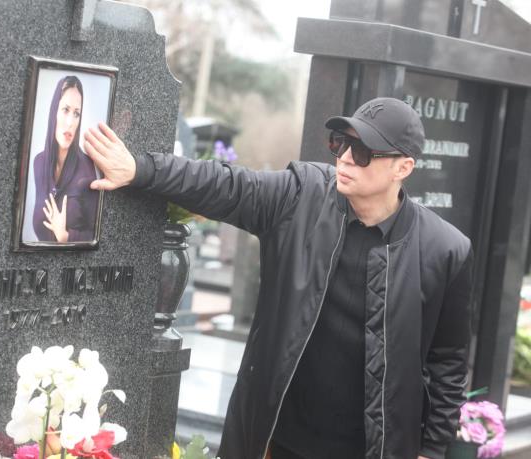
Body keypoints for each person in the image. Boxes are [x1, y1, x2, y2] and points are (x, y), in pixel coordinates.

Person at [83, 97, 473, 459]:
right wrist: (139, 169)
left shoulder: (445, 251)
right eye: (341, 143)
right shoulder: (300, 197)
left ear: (403, 168)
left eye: (364, 152)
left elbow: (448, 363)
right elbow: (226, 185)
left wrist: (431, 449)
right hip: (274, 439)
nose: (346, 158)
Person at [32, 75, 99, 243]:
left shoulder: (86, 168)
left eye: (76, 114)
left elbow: (96, 235)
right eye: (65, 110)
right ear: (54, 111)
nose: (70, 122)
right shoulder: (39, 163)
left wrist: (65, 237)